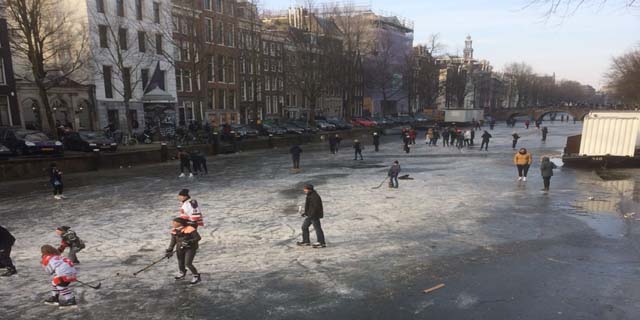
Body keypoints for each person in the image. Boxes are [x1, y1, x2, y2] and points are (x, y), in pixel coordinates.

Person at [165, 217, 201, 284]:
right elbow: (173, 241)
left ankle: (196, 276)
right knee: (180, 261)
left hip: (190, 248)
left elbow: (198, 238)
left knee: (188, 263)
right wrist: (170, 249)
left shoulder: (190, 229)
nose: (173, 224)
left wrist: (189, 242)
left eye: (174, 223)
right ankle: (182, 272)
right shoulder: (174, 231)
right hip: (180, 248)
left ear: (180, 223)